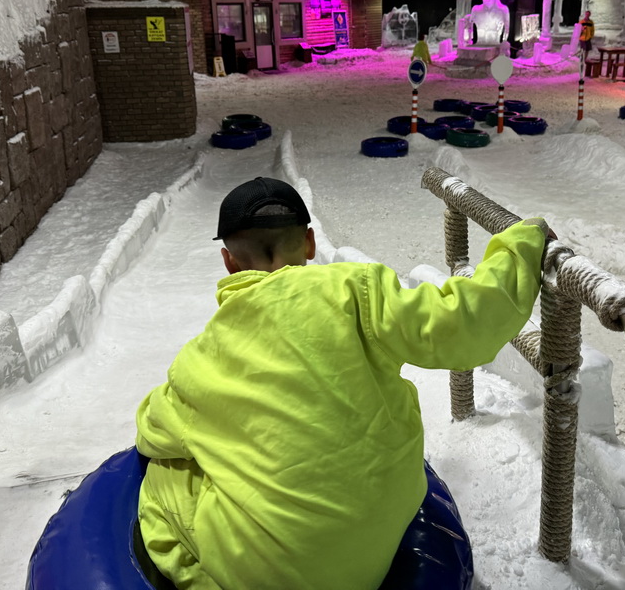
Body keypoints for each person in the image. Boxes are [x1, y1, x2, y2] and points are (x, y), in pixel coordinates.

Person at [135, 176, 553, 590]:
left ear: (229, 262)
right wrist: (523, 243)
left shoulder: (204, 352)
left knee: (160, 479)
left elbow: (153, 433)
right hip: (375, 547)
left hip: (275, 574)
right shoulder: (358, 291)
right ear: (310, 244)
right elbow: (466, 322)